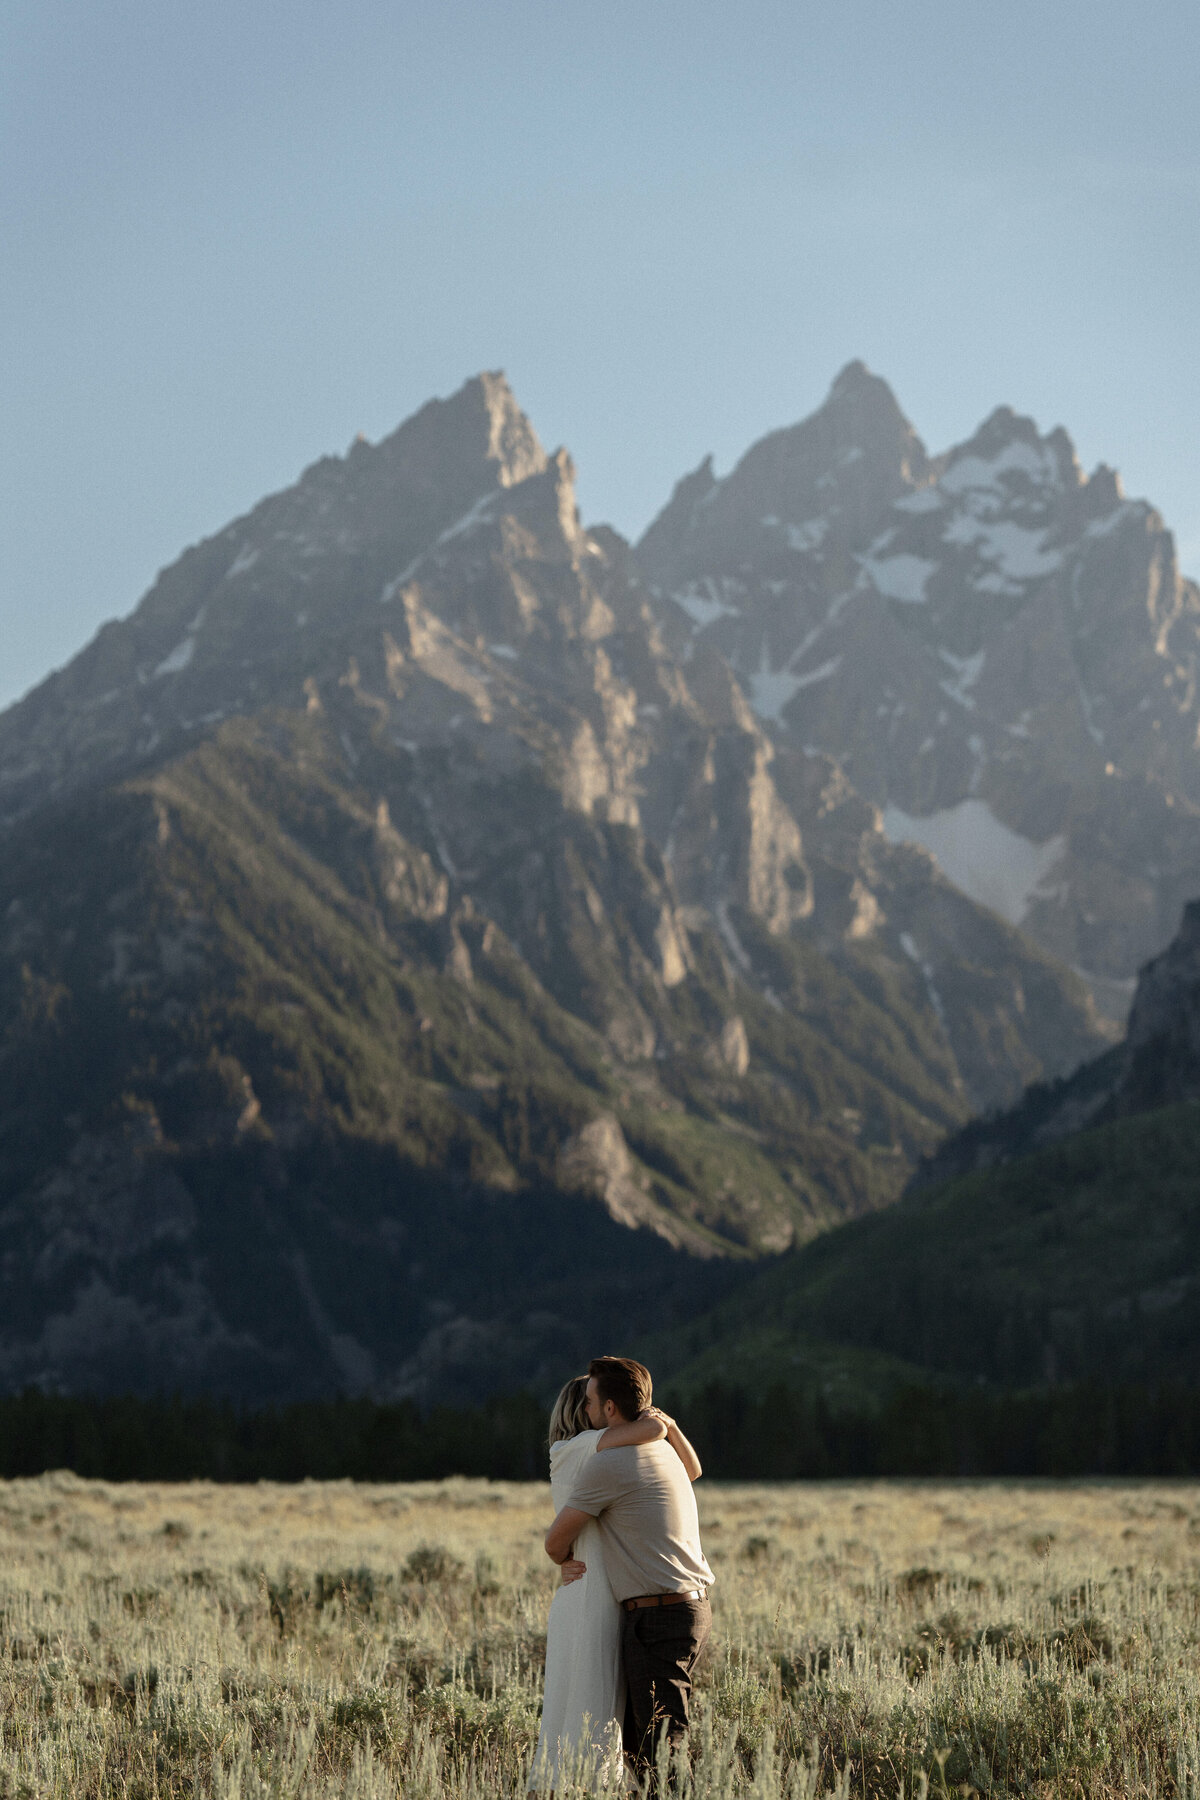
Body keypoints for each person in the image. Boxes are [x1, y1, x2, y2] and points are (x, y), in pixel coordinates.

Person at [543, 1356, 711, 1789]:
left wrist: (566, 1558)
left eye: (592, 1402)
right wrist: (669, 1425)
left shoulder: (608, 1463)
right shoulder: (664, 1452)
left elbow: (554, 1541)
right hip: (682, 1608)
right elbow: (694, 1469)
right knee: (646, 1747)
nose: (587, 1411)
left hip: (658, 1614)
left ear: (610, 1410)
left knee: (661, 1748)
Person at [529, 1374, 669, 1794]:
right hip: (595, 1595)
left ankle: (566, 1787)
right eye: (593, 1402)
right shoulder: (582, 1448)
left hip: (585, 1588)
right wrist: (657, 1417)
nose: (602, 1409)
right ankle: (588, 1787)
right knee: (596, 1701)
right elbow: (654, 1430)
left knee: (576, 1703)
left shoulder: (571, 1453)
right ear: (581, 1411)